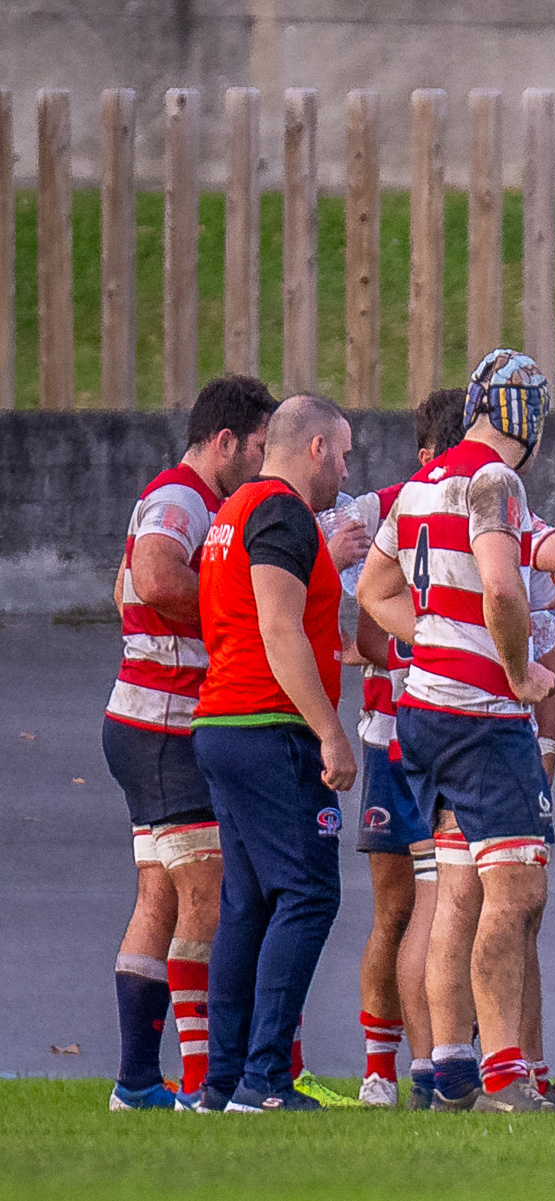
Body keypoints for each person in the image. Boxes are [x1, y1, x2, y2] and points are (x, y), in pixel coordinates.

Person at [360, 350, 555, 1114]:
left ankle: (452, 1071)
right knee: (518, 888)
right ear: (528, 418)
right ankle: (508, 1079)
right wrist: (518, 667)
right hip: (481, 713)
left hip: (426, 711)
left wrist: (435, 633)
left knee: (458, 886)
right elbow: (504, 584)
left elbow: (375, 590)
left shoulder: (421, 485)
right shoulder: (496, 482)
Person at [101, 376, 279, 1110]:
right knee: (209, 894)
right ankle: (206, 1082)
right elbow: (147, 575)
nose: (265, 464)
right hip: (168, 727)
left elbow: (122, 589)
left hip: (140, 719)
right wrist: (228, 612)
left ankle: (139, 1081)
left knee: (161, 898)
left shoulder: (179, 499)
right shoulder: (181, 496)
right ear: (225, 441)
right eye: (260, 448)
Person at [189, 394, 360, 1113]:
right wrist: (329, 728)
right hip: (268, 722)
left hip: (224, 721)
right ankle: (263, 1078)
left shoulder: (232, 513)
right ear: (315, 446)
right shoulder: (282, 512)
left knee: (248, 905)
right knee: (310, 892)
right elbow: (279, 626)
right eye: (345, 453)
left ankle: (222, 1080)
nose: (348, 470)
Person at [347, 388, 466, 1108]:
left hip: (445, 730)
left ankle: (434, 1062)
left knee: (444, 898)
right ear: (424, 458)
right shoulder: (387, 509)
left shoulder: (489, 505)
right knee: (402, 904)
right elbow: (364, 630)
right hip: (400, 733)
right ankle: (381, 1069)